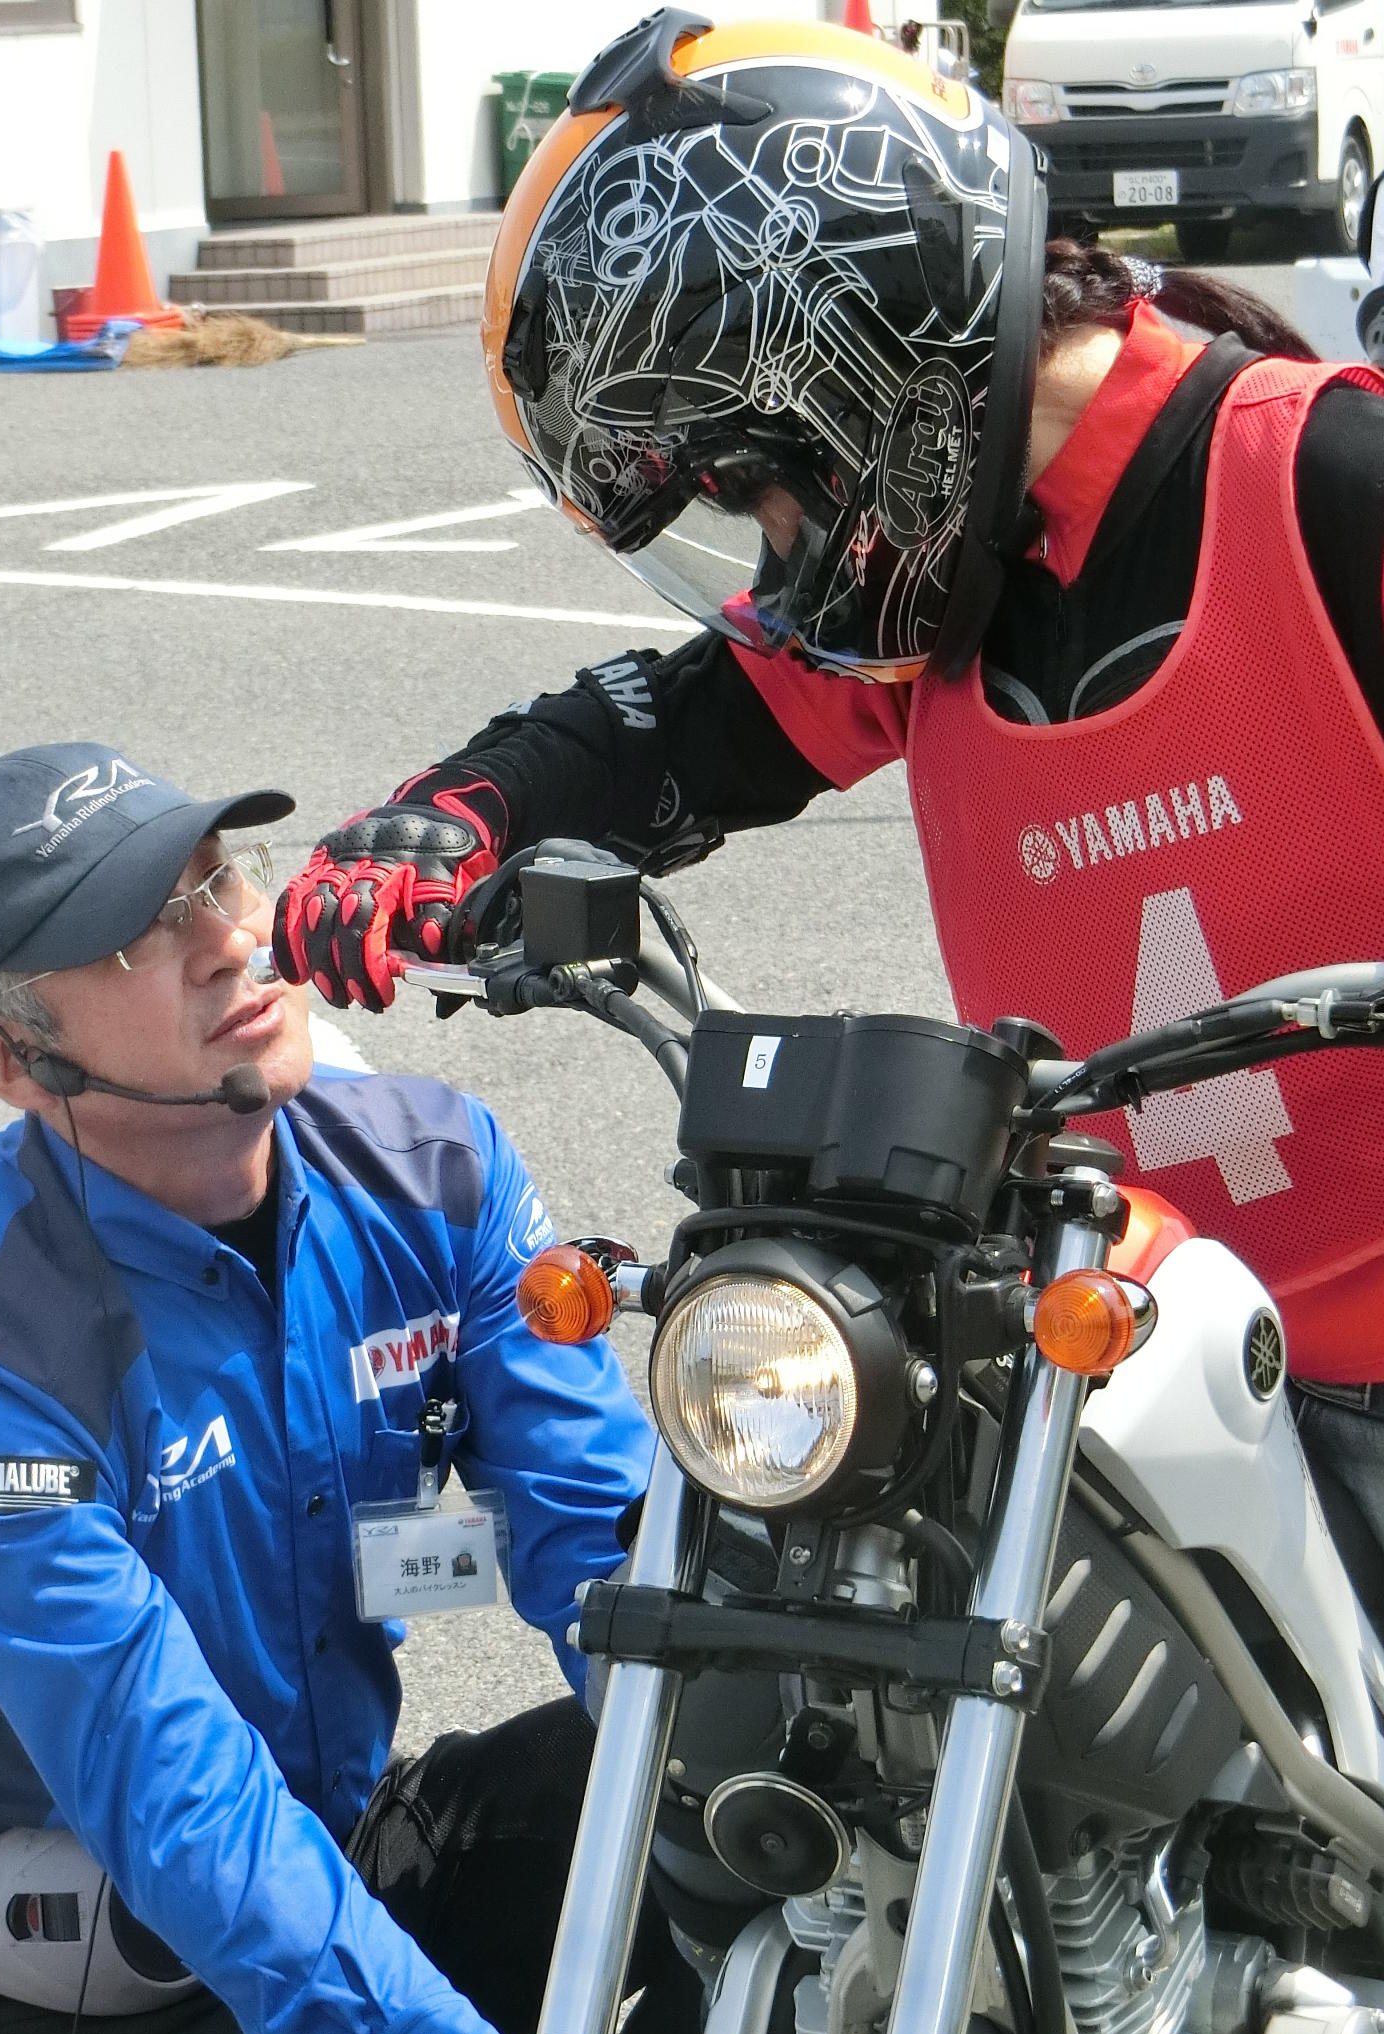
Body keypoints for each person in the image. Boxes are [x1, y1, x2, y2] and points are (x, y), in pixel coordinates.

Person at [270, 18, 1384, 1540]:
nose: (780, 562)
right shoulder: (940, 587)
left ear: (877, 371)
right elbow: (670, 731)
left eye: (755, 493)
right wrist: (458, 815)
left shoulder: (1330, 488)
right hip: (1132, 1364)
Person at [0, 743, 678, 2034]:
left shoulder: (432, 1169)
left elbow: (595, 1550)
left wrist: (711, 1767)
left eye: (216, 878)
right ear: (15, 1062)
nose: (231, 939)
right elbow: (186, 1809)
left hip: (333, 1859)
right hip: (91, 1987)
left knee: (740, 1776)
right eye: (132, 935)